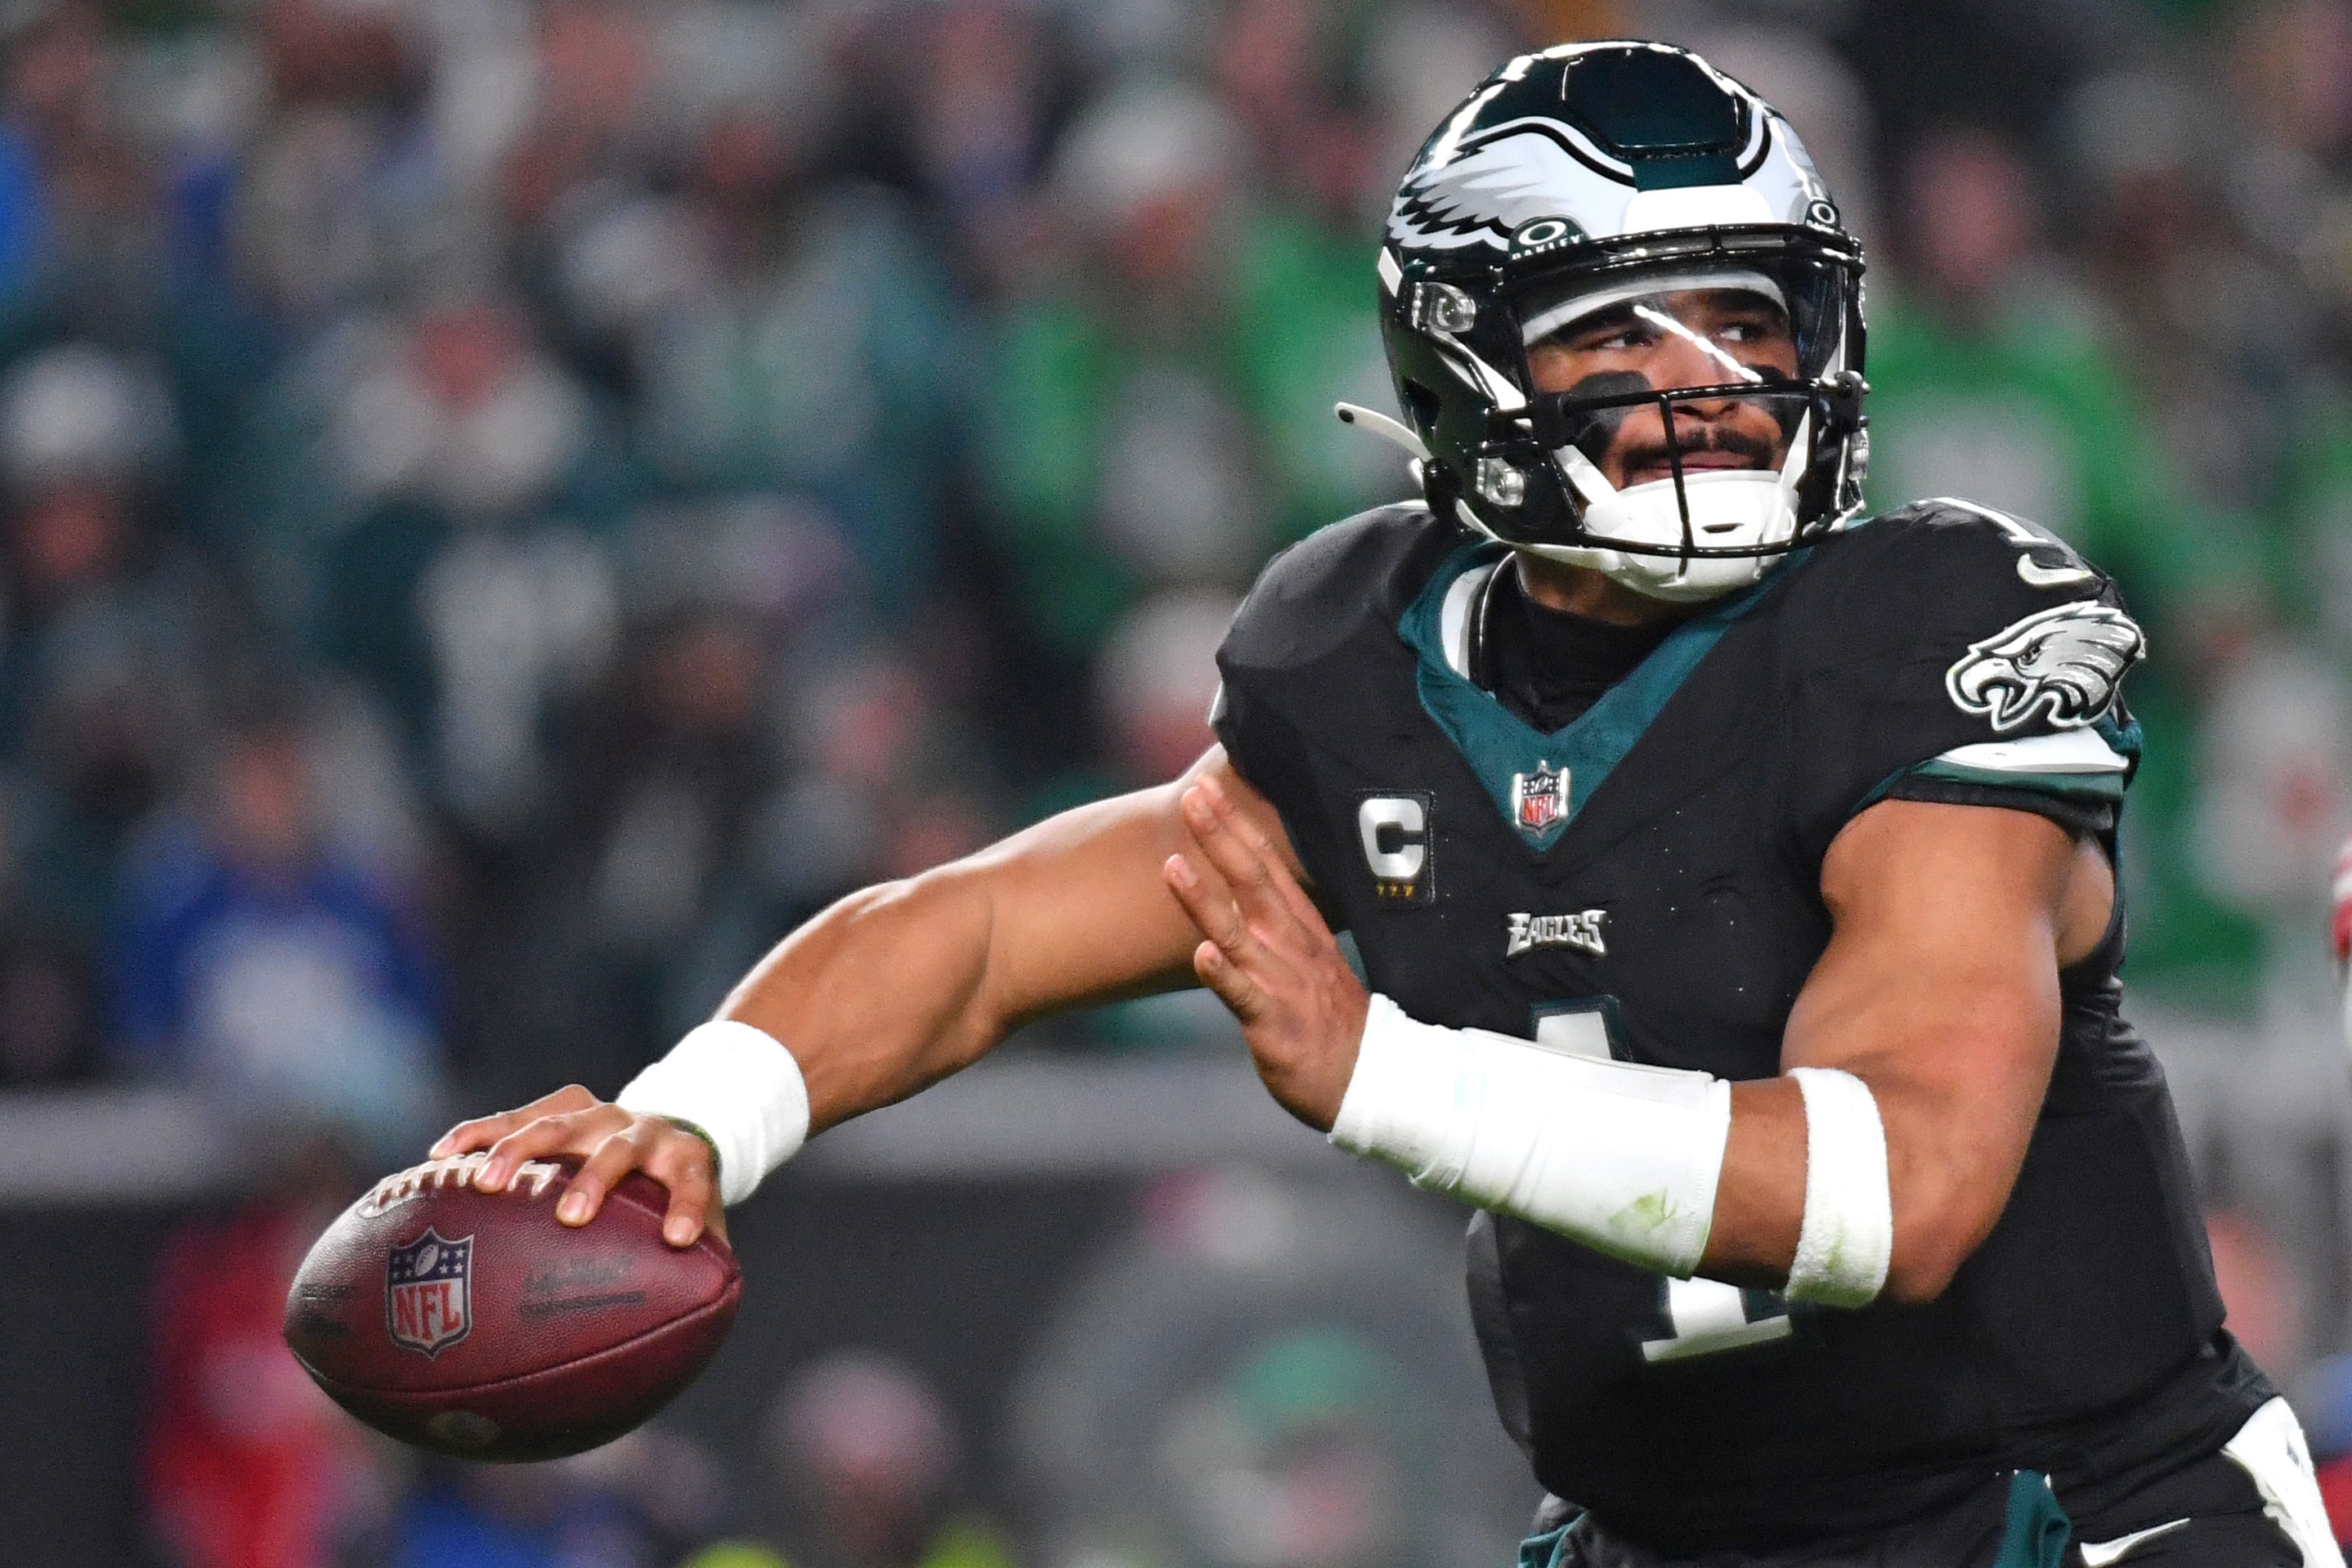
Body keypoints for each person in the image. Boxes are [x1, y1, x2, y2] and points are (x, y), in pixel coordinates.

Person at [434, 43, 2340, 1568]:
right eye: (1621, 335)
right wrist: (691, 1109)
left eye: (1745, 326)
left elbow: (1894, 1192)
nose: (1708, 392)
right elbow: (988, 929)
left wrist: (1377, 1072)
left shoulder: (1916, 631)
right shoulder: (1365, 665)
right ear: (1460, 358)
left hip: (2067, 1521)